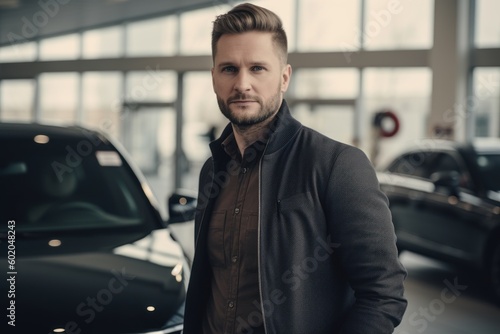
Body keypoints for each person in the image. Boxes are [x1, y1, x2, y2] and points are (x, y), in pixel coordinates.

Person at [183, 3, 407, 333]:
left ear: (284, 77)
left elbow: (383, 295)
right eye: (229, 68)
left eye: (258, 68)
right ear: (214, 77)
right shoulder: (212, 170)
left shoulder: (336, 165)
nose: (242, 83)